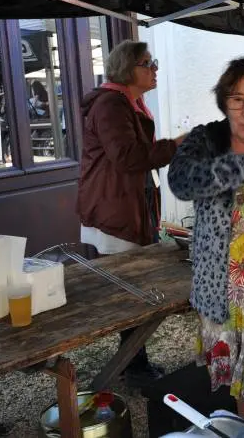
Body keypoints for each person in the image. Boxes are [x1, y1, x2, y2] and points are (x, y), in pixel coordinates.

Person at [168, 57, 244, 416]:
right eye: (237, 99)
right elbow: (182, 181)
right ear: (224, 101)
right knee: (236, 385)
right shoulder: (207, 139)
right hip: (219, 286)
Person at [76, 40, 184, 386]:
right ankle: (133, 367)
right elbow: (129, 157)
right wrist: (177, 145)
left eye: (154, 63)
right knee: (130, 293)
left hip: (123, 206)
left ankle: (132, 364)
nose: (154, 69)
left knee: (133, 291)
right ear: (128, 68)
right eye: (148, 63)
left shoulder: (126, 102)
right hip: (114, 212)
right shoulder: (111, 104)